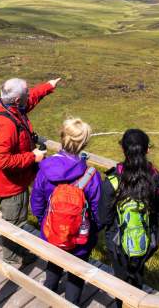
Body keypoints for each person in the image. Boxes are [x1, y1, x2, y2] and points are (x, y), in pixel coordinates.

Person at [0, 77, 61, 266]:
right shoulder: (6, 125)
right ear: (18, 100)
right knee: (14, 222)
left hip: (14, 180)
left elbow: (31, 97)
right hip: (10, 184)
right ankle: (12, 260)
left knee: (17, 218)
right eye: (26, 92)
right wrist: (32, 157)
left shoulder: (9, 108)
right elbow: (2, 160)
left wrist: (48, 86)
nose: (30, 94)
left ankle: (17, 251)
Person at [99, 129, 159, 308]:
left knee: (121, 280)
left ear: (124, 150)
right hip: (147, 242)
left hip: (117, 244)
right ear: (147, 150)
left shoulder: (112, 181)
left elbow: (104, 218)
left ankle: (121, 303)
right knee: (138, 275)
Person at [31, 118, 102, 305]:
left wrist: (45, 221)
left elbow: (36, 203)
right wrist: (92, 232)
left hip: (52, 233)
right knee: (76, 275)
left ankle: (49, 293)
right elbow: (97, 212)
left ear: (62, 137)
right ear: (84, 143)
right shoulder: (91, 175)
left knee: (53, 265)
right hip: (80, 239)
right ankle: (71, 302)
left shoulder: (45, 169)